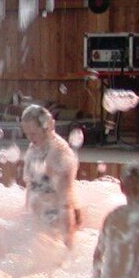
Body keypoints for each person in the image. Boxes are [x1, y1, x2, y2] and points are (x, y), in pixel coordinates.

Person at [21, 104, 79, 249]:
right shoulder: (34, 147)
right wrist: (26, 212)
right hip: (39, 215)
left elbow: (66, 197)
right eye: (26, 134)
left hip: (56, 217)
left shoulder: (58, 152)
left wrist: (68, 240)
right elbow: (30, 185)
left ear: (46, 127)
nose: (30, 138)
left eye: (33, 133)